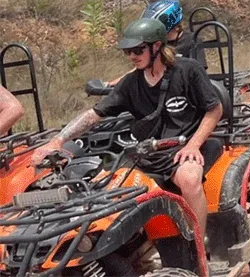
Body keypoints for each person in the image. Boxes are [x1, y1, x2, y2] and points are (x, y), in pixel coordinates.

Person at [32, 18, 223, 241]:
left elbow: (215, 109)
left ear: (157, 46)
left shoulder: (188, 70)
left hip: (185, 146)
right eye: (127, 51)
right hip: (148, 152)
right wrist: (58, 140)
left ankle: (199, 243)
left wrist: (193, 145)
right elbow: (93, 115)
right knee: (104, 186)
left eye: (138, 50)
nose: (132, 56)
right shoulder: (130, 83)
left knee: (189, 180)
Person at [105, 0, 206, 87]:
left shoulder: (191, 40)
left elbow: (199, 73)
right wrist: (115, 83)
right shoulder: (153, 43)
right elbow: (140, 69)